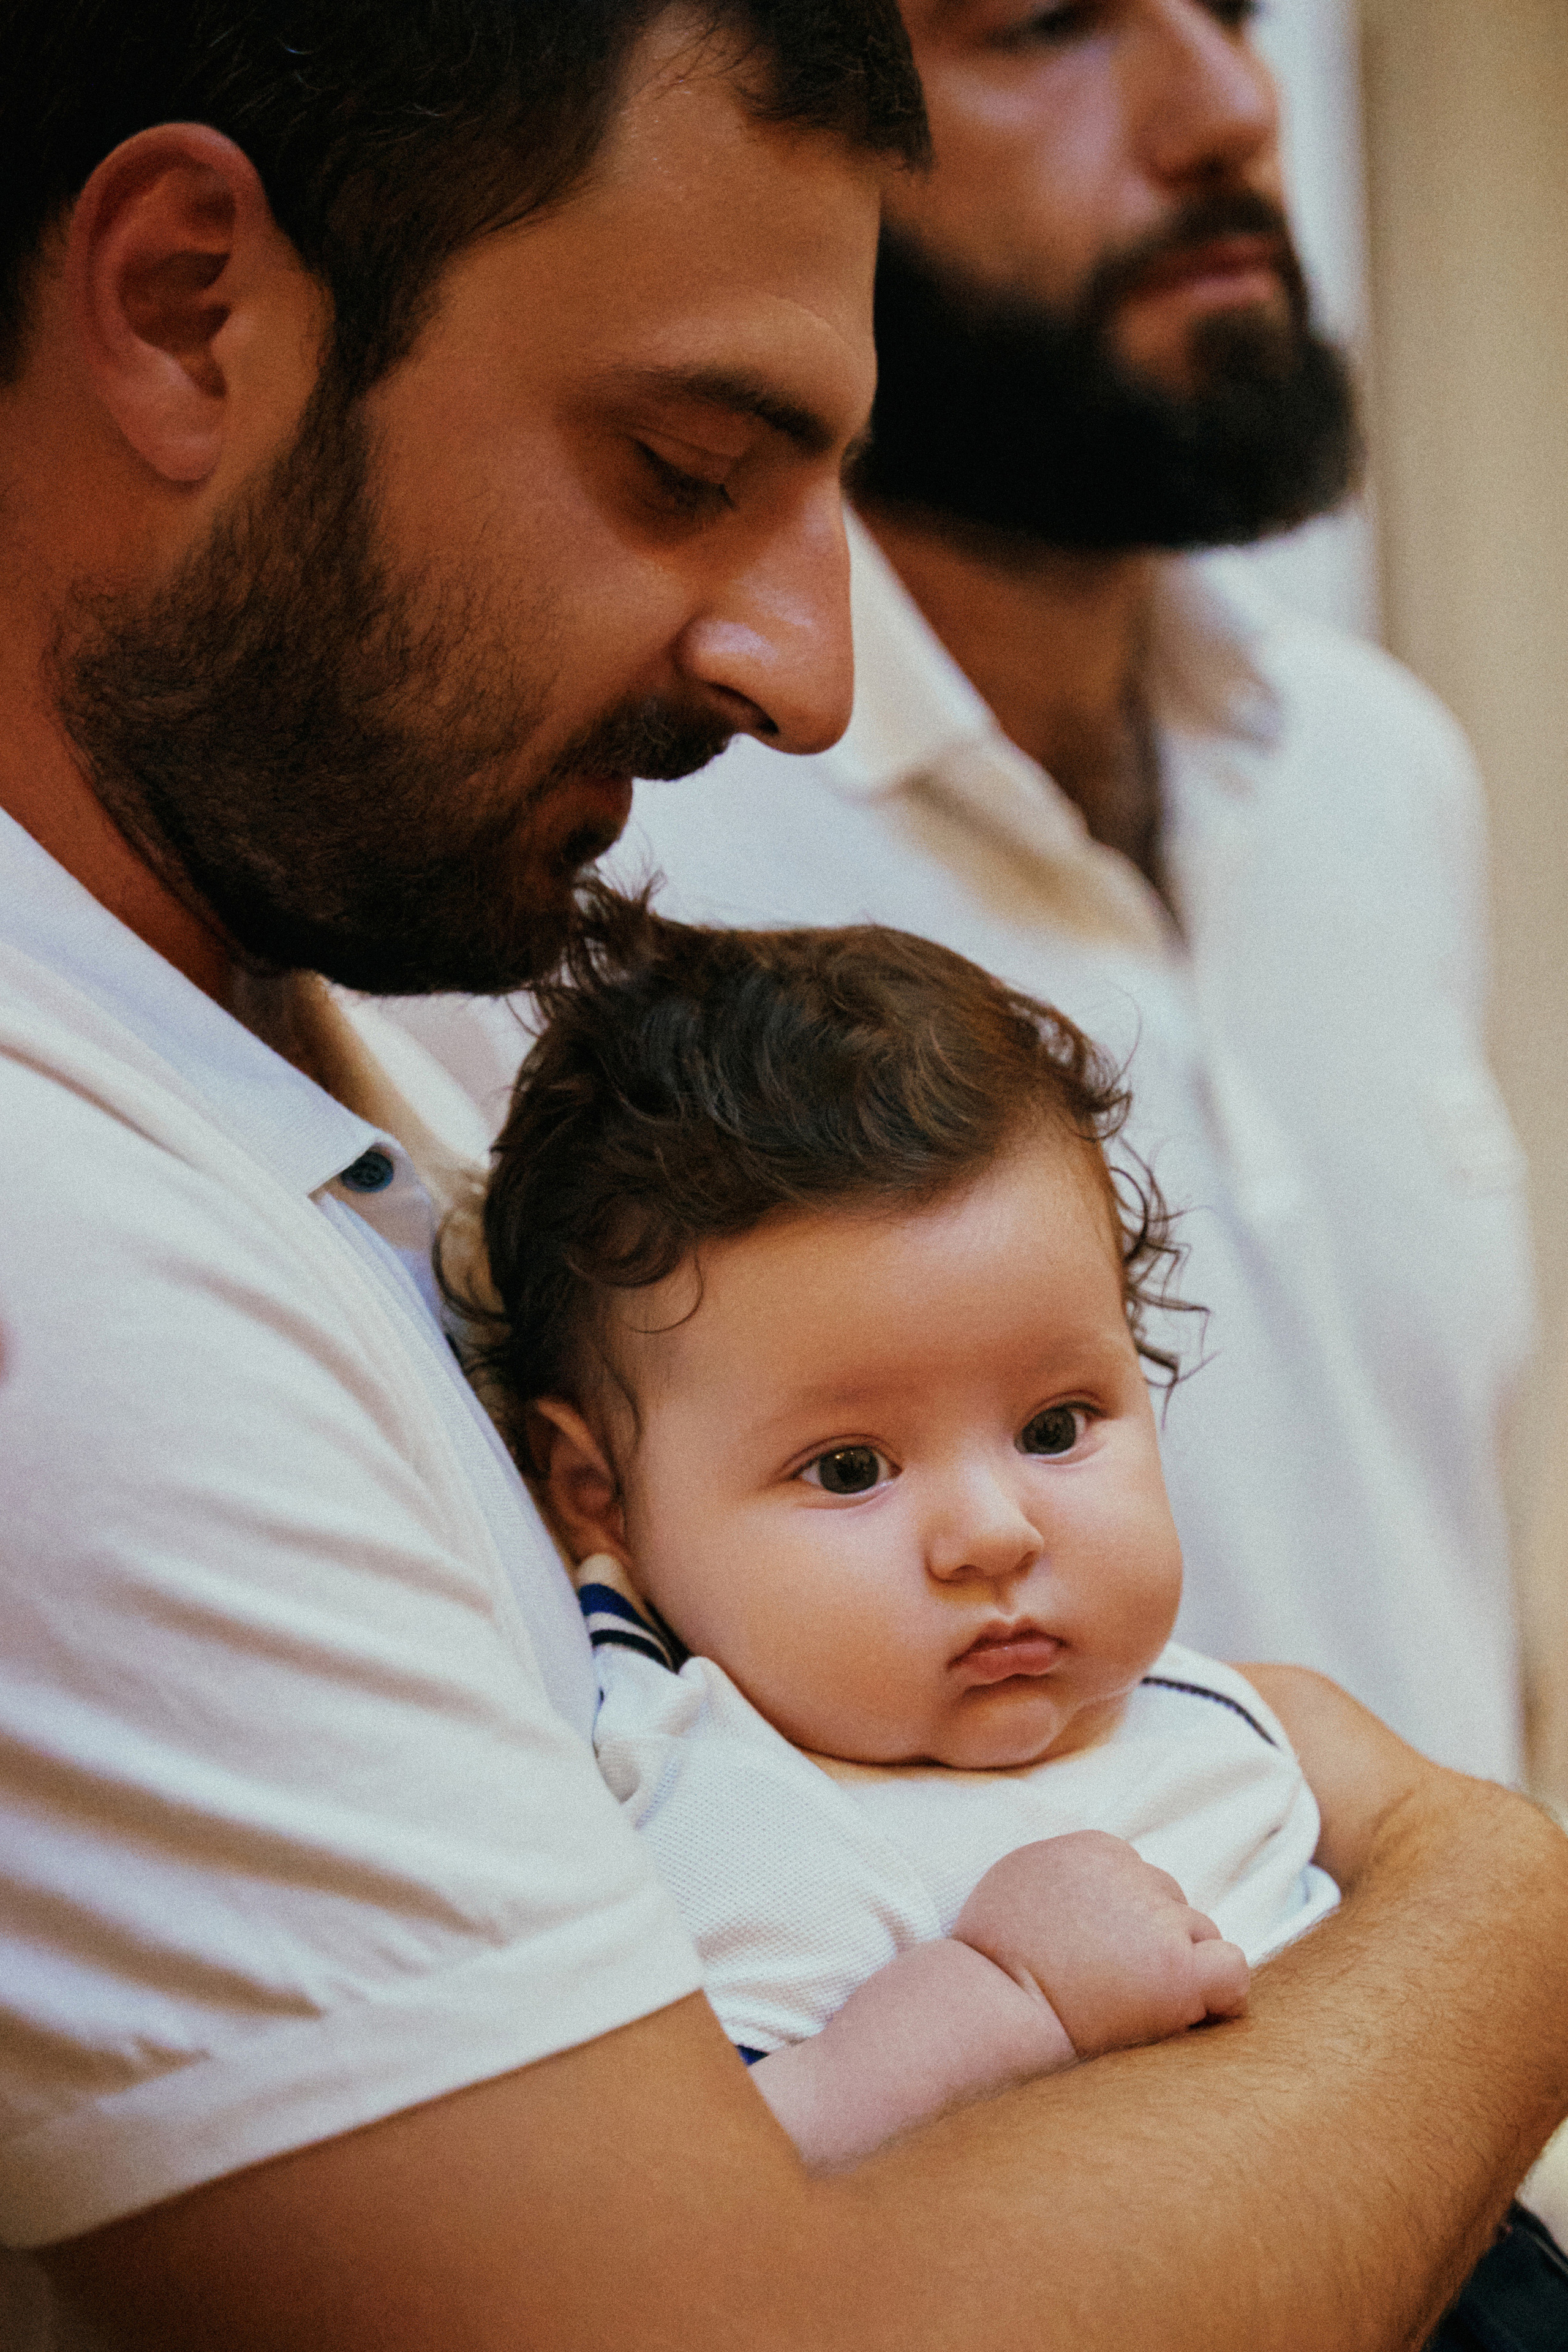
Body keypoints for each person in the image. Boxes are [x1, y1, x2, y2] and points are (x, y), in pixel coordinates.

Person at [2, 6, 1567, 2350]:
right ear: (183, 307)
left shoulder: (340, 1015)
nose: (807, 675)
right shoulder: (66, 1240)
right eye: (680, 464)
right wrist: (1497, 1905)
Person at [458, 0, 1528, 1785]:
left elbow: (1450, 1565)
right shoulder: (594, 854)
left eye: (1233, 12)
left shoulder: (1378, 769)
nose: (1226, 107)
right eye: (1046, 26)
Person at [475, 910, 1341, 2168]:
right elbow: (720, 2189)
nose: (994, 1534)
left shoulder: (1200, 1709)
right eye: (849, 1469)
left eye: (1054, 1427)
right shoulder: (736, 1814)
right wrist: (1006, 1998)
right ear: (598, 1497)